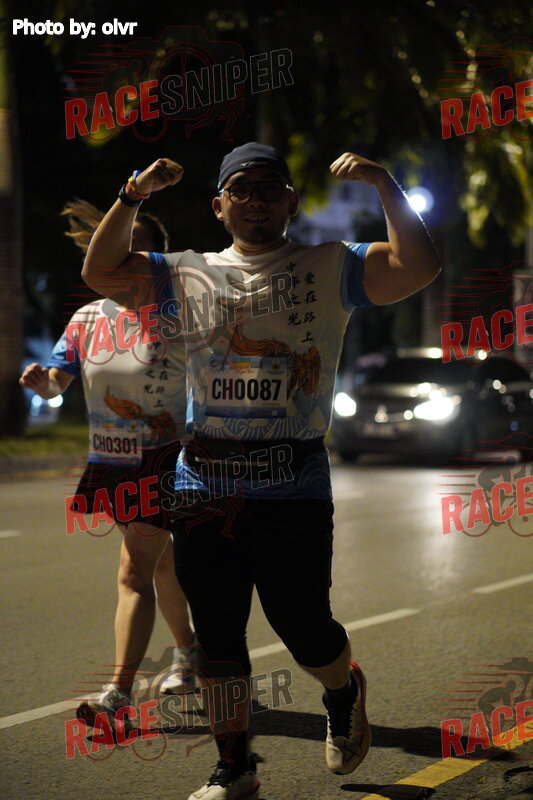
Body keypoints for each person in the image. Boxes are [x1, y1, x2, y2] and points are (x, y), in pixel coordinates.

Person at [81, 144, 441, 800]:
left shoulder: (329, 265)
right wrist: (133, 195)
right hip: (203, 480)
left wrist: (383, 182)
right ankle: (234, 767)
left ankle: (341, 688)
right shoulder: (186, 272)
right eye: (240, 190)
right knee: (217, 638)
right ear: (219, 206)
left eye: (269, 189)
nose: (255, 201)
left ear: (290, 203)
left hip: (292, 481)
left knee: (305, 630)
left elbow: (418, 266)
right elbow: (100, 271)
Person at [20, 203, 196, 726]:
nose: (125, 253)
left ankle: (118, 692)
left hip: (164, 459)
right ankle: (190, 655)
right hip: (110, 460)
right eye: (118, 243)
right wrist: (42, 384)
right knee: (160, 565)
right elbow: (58, 382)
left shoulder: (182, 316)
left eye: (137, 245)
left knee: (133, 571)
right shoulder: (88, 319)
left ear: (157, 258)